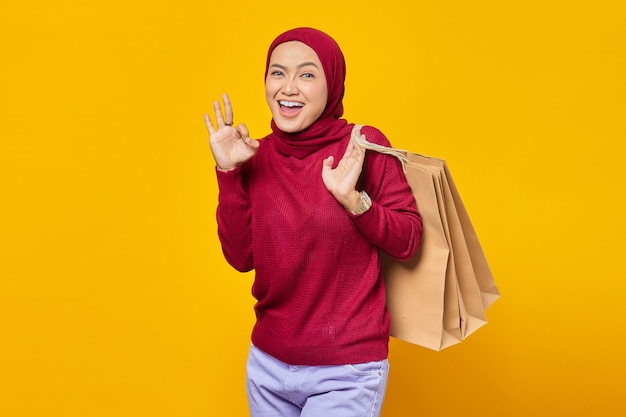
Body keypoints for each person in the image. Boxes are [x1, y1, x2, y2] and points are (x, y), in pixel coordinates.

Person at [204, 27, 423, 417]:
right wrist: (228, 172)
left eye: (307, 74)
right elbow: (241, 258)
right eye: (277, 72)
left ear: (332, 85)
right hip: (268, 365)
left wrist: (356, 203)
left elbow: (409, 240)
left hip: (346, 371)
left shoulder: (361, 145)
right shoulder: (255, 153)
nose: (288, 87)